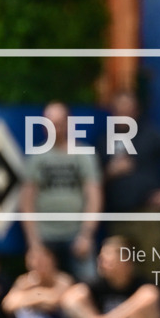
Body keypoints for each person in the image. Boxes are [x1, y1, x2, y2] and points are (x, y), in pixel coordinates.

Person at [99, 90, 160, 275]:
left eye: (127, 110)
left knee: (155, 268)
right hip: (117, 217)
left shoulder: (150, 135)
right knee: (117, 270)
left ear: (136, 112)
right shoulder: (104, 141)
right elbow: (92, 183)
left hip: (148, 215)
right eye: (119, 111)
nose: (123, 115)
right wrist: (110, 172)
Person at [21, 101, 103, 281]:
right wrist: (34, 242)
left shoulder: (84, 154)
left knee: (88, 283)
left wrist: (87, 235)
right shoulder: (35, 158)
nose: (54, 129)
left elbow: (94, 196)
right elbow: (27, 201)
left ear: (68, 123)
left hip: (76, 234)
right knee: (42, 286)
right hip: (45, 235)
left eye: (58, 123)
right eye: (49, 123)